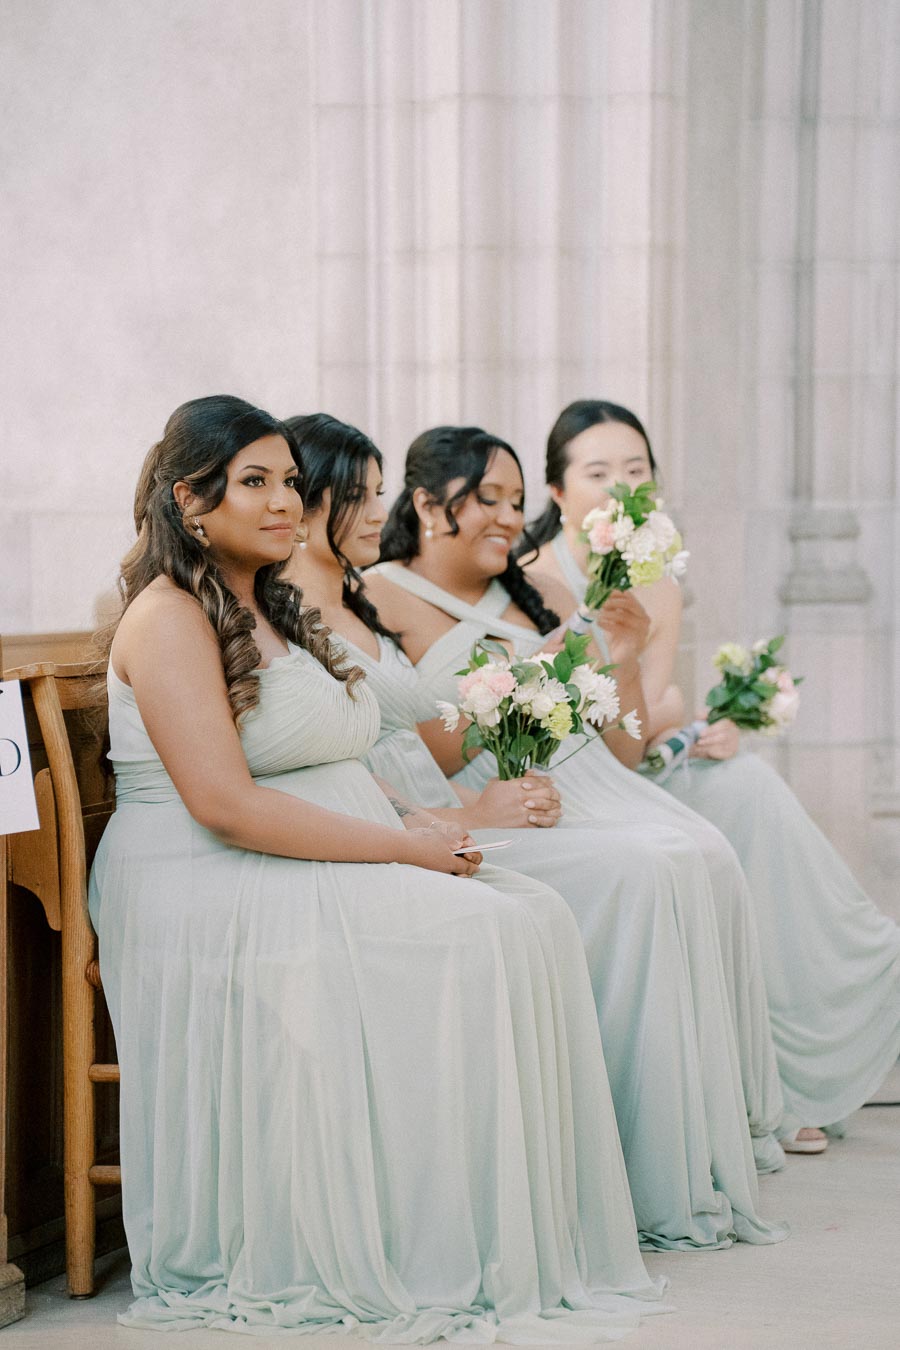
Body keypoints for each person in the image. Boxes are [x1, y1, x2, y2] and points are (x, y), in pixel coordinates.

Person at [88, 395, 669, 1340]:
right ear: (191, 501)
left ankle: (474, 1233)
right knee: (478, 936)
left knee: (532, 918)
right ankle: (414, 1240)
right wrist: (406, 848)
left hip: (302, 844)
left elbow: (339, 757)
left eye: (288, 481)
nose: (286, 501)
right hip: (202, 873)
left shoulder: (269, 603)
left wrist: (425, 823)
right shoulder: (164, 618)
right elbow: (225, 803)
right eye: (256, 482)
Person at [285, 411, 789, 1252]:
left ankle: (683, 1142)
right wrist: (503, 736)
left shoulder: (459, 592)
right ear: (427, 502)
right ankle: (624, 1157)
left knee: (695, 849)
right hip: (455, 797)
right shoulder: (371, 595)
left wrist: (613, 659)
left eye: (517, 500)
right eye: (487, 496)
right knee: (644, 871)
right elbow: (412, 746)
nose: (509, 516)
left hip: (548, 784)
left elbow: (619, 736)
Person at [522, 396, 900, 1146]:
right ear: (559, 492)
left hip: (636, 760)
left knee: (747, 787)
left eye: (636, 470)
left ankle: (781, 1071)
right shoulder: (528, 577)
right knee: (724, 815)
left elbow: (654, 700)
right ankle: (744, 1087)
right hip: (559, 768)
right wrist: (672, 717)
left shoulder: (657, 581)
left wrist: (700, 725)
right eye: (598, 472)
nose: (620, 486)